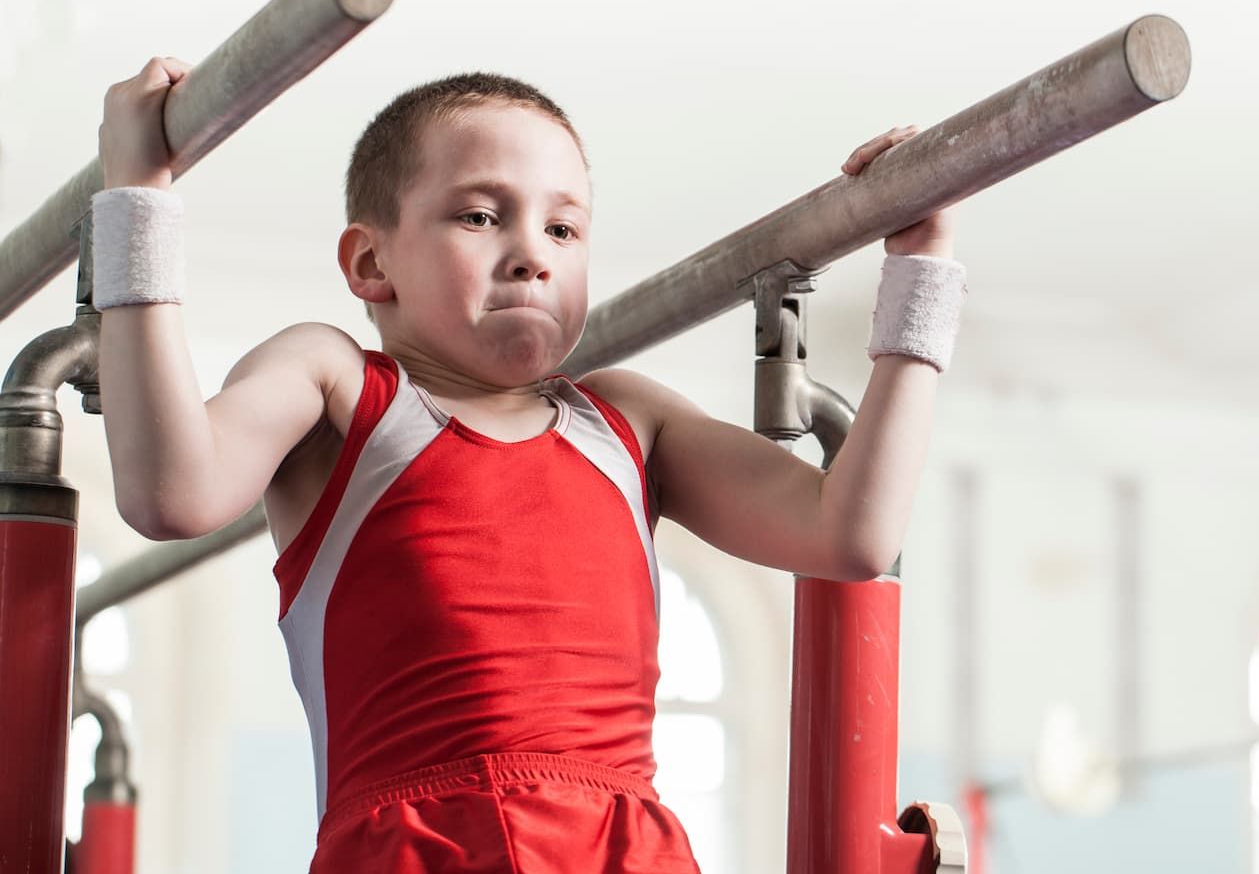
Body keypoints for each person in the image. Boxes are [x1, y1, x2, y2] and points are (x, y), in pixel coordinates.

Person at [92, 56, 966, 873]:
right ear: (370, 261)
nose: (530, 251)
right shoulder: (338, 385)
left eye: (563, 226)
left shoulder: (628, 419)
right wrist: (139, 196)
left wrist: (920, 274)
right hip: (419, 843)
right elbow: (173, 491)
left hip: (627, 846)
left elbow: (849, 534)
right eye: (480, 215)